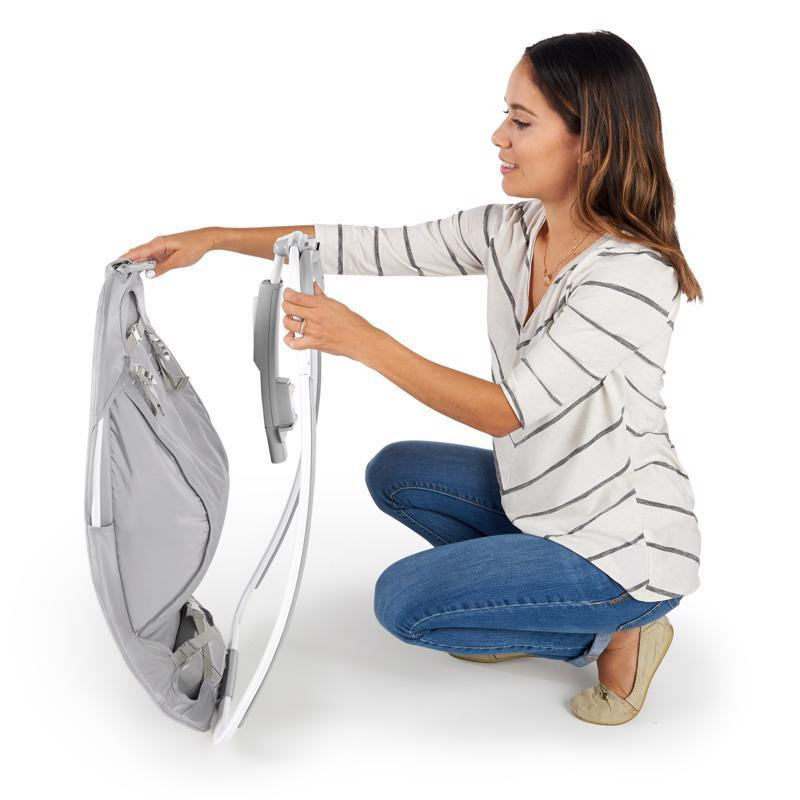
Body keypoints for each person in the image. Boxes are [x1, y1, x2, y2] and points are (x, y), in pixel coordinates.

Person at [119, 30, 703, 726]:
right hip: (545, 501)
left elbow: (505, 411)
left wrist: (360, 340)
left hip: (624, 546)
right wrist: (215, 240)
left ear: (590, 144)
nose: (499, 136)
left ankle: (617, 629)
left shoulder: (632, 275)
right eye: (506, 116)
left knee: (405, 604)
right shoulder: (512, 233)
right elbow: (366, 246)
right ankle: (526, 599)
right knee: (397, 473)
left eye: (521, 122)